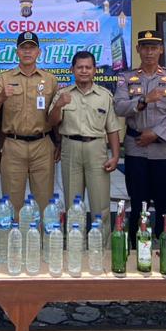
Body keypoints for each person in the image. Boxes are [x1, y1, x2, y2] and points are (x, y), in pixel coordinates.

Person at [114, 30, 166, 243]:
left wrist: (156, 133)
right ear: (138, 49)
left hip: (163, 149)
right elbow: (119, 106)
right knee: (138, 201)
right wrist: (143, 100)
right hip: (136, 147)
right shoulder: (126, 78)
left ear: (161, 50)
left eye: (154, 48)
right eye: (145, 47)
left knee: (164, 201)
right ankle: (136, 246)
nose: (149, 52)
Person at [49, 51, 123, 234]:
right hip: (70, 148)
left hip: (96, 149)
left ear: (94, 70)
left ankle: (102, 248)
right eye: (79, 67)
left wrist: (115, 155)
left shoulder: (104, 96)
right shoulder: (62, 94)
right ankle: (77, 247)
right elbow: (51, 122)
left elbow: (112, 128)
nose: (84, 71)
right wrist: (58, 105)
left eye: (88, 67)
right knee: (73, 204)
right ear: (72, 70)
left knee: (101, 204)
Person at [0, 31, 58, 209]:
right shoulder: (4, 79)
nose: (27, 52)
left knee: (44, 203)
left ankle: (42, 237)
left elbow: (56, 116)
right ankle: (14, 237)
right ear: (17, 52)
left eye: (31, 48)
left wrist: (59, 143)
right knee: (11, 204)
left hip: (42, 145)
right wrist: (1, 97)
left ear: (38, 52)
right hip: (13, 146)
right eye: (23, 48)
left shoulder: (49, 80)